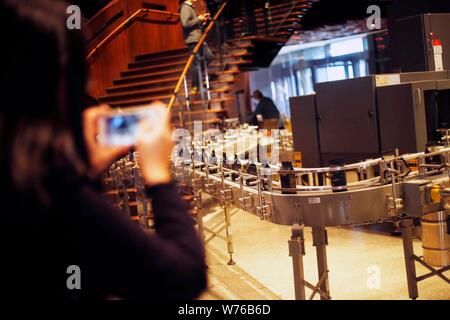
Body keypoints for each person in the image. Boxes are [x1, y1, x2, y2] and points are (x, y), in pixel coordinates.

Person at [0, 0, 206, 300]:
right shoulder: (53, 188)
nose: (90, 82)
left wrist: (85, 172)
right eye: (79, 74)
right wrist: (158, 175)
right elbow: (184, 276)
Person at [179, 0, 214, 94]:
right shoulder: (185, 7)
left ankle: (199, 78)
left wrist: (202, 20)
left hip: (199, 38)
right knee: (195, 63)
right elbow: (185, 23)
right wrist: (199, 18)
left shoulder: (191, 7)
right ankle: (195, 85)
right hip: (192, 40)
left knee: (209, 57)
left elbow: (192, 23)